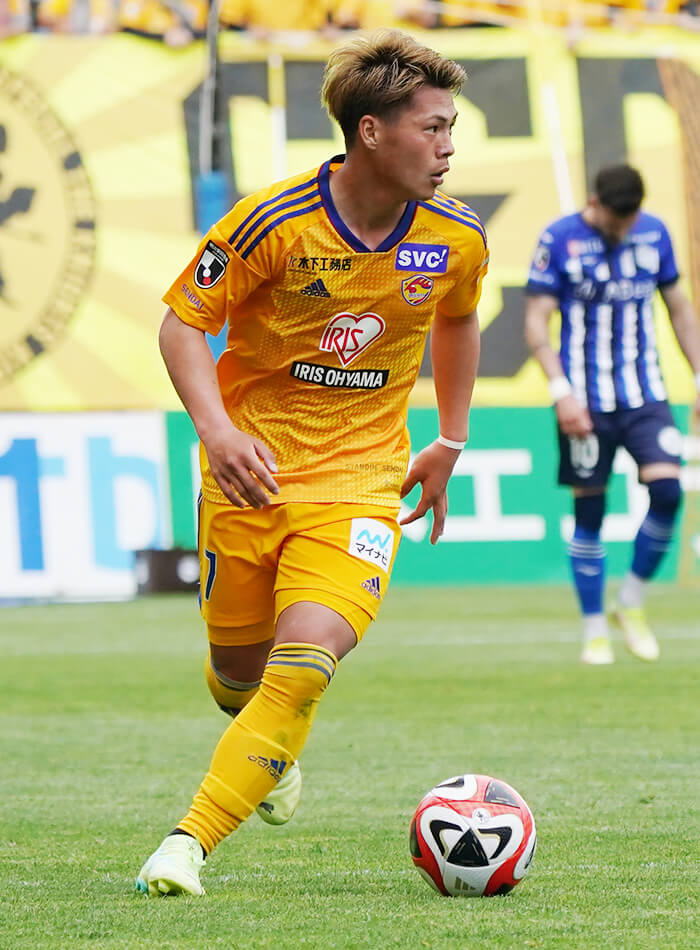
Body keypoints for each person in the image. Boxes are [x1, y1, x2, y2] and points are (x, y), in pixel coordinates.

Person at [135, 29, 488, 896]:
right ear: (371, 131)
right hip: (250, 475)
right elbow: (183, 324)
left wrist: (449, 439)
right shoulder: (275, 221)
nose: (448, 147)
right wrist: (218, 432)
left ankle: (186, 844)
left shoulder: (456, 236)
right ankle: (268, 751)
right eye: (433, 128)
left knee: (302, 668)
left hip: (361, 484)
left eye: (451, 129)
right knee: (238, 681)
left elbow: (456, 317)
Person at [524, 164, 700, 666]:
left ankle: (631, 602)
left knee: (668, 493)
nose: (623, 229)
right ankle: (594, 627)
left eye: (630, 220)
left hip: (645, 396)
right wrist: (561, 392)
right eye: (615, 220)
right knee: (591, 512)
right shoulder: (559, 239)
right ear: (595, 203)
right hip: (584, 401)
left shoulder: (654, 234)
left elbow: (679, 309)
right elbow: (536, 322)